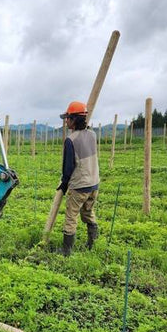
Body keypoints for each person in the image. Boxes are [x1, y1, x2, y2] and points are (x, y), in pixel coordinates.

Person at [57, 101, 99, 256]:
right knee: (88, 212)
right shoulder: (93, 135)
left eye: (67, 118)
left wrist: (64, 184)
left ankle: (66, 251)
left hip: (79, 185)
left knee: (71, 216)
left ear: (74, 119)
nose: (66, 121)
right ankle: (92, 243)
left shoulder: (71, 139)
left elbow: (68, 168)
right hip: (94, 184)